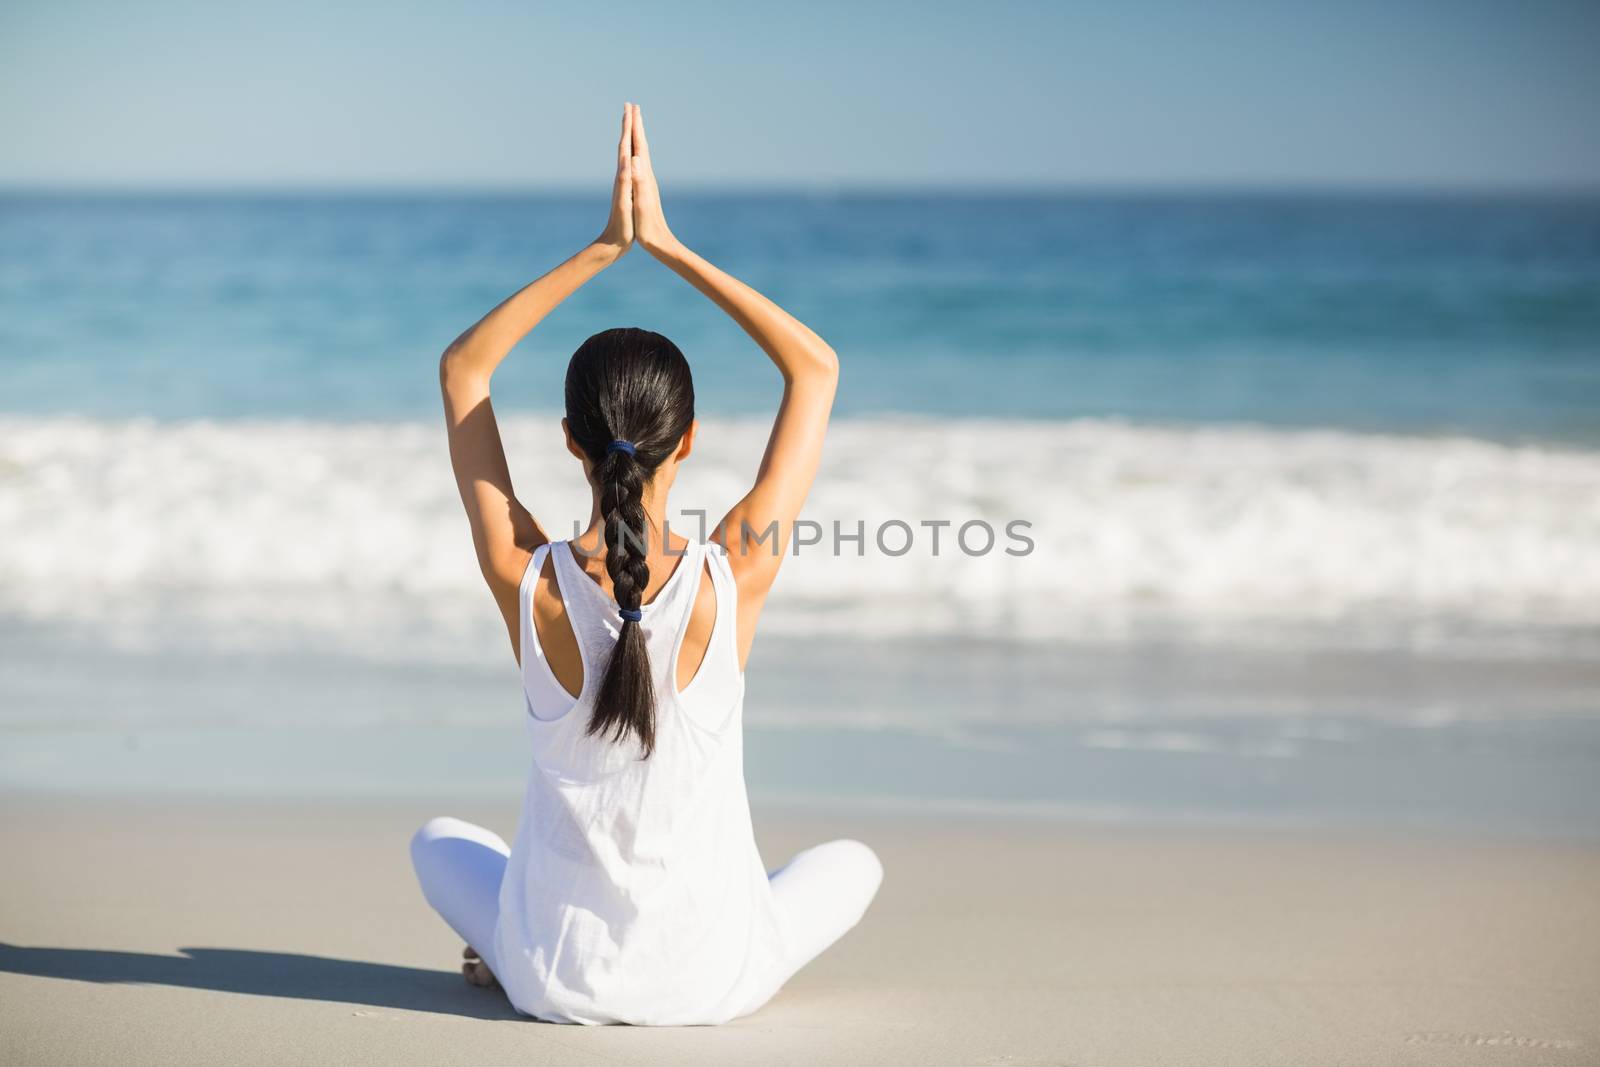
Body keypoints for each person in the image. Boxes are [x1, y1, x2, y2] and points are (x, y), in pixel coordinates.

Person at [408, 104, 883, 1025]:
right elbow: (815, 369)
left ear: (571, 445)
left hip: (552, 977)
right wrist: (666, 245)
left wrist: (601, 248)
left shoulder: (528, 575)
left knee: (436, 842)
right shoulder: (730, 575)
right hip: (711, 984)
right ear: (691, 440)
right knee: (854, 863)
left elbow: (464, 368)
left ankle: (507, 951)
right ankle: (736, 919)